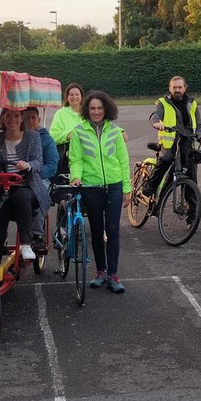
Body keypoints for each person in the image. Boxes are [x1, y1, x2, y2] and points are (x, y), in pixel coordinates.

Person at [69, 90, 131, 293]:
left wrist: (127, 188)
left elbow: (123, 161)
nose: (96, 111)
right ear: (87, 109)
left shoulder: (115, 131)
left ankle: (113, 274)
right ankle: (100, 271)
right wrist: (75, 177)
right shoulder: (79, 132)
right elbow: (76, 159)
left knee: (112, 230)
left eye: (100, 108)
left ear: (106, 109)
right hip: (91, 187)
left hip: (114, 186)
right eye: (92, 108)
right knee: (96, 230)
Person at [0, 107, 48, 267]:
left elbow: (38, 162)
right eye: (8, 116)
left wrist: (27, 165)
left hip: (27, 186)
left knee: (21, 196)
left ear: (22, 119)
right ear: (2, 118)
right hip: (3, 187)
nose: (12, 120)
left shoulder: (33, 137)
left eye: (16, 116)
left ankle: (26, 243)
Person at [141, 76, 201, 199]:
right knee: (167, 159)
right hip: (169, 142)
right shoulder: (163, 102)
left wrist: (200, 135)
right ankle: (150, 185)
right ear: (170, 88)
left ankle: (193, 211)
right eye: (174, 87)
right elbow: (156, 114)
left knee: (190, 172)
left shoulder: (192, 103)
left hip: (187, 141)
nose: (177, 90)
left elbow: (199, 123)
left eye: (180, 87)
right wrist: (156, 122)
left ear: (185, 88)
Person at [23, 105, 60, 246]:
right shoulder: (18, 137)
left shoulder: (47, 140)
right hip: (20, 177)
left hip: (40, 177)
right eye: (26, 118)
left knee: (39, 194)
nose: (30, 121)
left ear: (38, 119)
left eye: (33, 118)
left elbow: (52, 165)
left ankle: (37, 233)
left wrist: (35, 174)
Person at [48, 83, 86, 175]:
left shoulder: (88, 112)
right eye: (71, 95)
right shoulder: (60, 113)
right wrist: (68, 135)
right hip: (68, 157)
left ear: (81, 97)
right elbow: (53, 136)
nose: (74, 97)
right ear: (67, 98)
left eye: (77, 94)